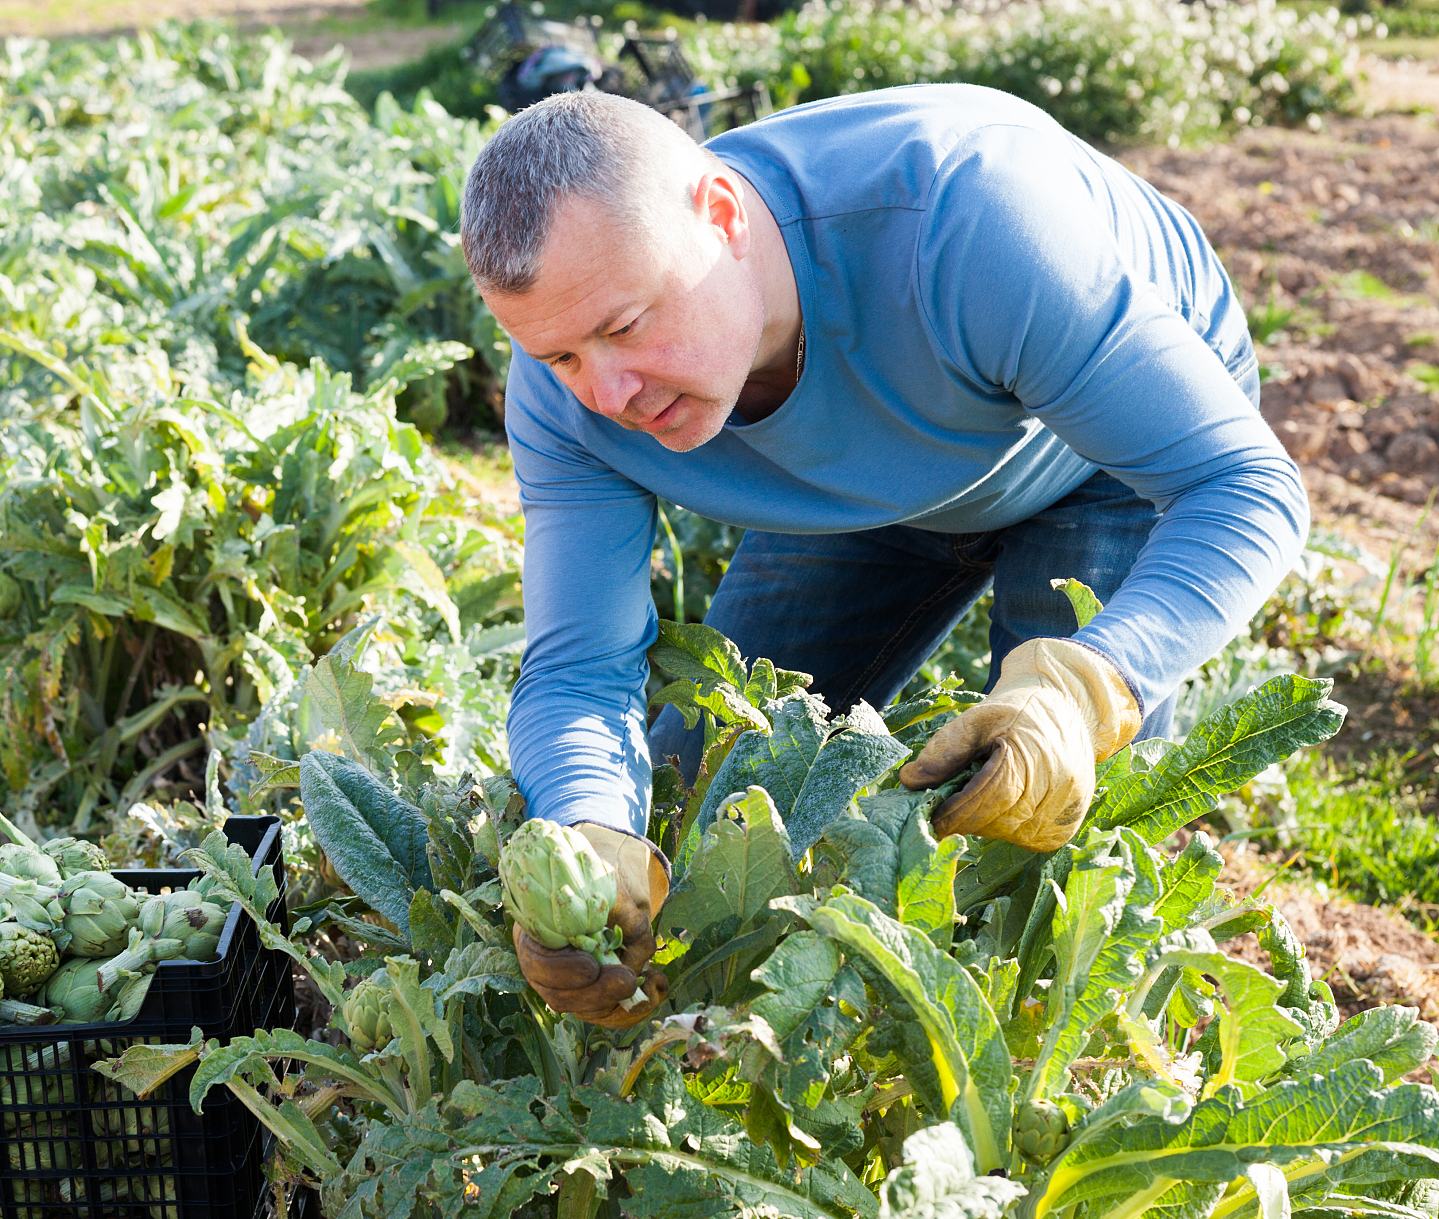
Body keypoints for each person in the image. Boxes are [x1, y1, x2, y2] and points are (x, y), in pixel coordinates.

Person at [458, 87, 1308, 1026]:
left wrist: (1084, 687)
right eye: (561, 356)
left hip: (1100, 456)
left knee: (1040, 861)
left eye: (623, 327)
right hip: (868, 478)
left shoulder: (971, 221)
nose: (609, 392)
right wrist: (588, 831)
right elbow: (580, 668)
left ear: (724, 218)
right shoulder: (568, 401)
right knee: (698, 797)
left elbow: (1242, 488)